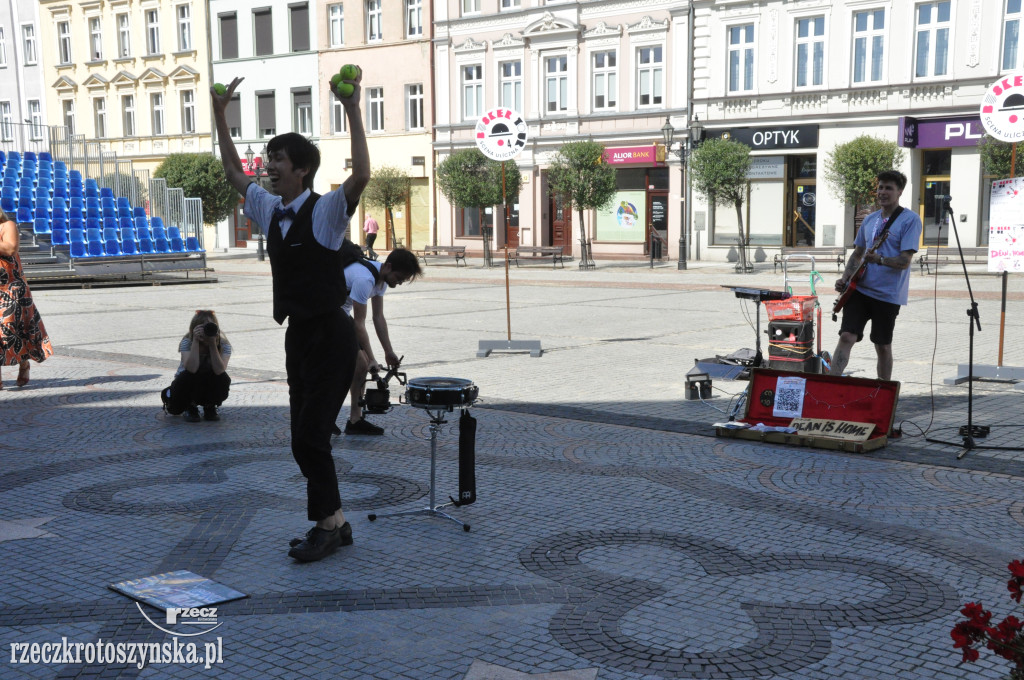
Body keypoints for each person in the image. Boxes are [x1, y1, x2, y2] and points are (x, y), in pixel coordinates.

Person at [211, 68, 369, 563]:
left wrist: (351, 109)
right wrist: (220, 115)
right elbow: (234, 172)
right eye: (269, 158)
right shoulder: (268, 207)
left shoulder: (323, 212)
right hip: (299, 335)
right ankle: (336, 522)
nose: (267, 166)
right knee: (302, 440)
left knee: (309, 436)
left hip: (332, 336)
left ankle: (325, 527)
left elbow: (361, 175)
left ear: (301, 170)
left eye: (277, 159)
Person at [830, 170, 922, 381]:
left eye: (888, 188)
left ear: (899, 192)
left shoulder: (910, 220)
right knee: (846, 336)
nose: (882, 192)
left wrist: (880, 259)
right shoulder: (870, 219)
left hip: (887, 295)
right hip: (859, 289)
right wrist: (845, 278)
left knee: (882, 344)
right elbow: (858, 253)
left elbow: (904, 261)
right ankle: (831, 382)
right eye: (880, 187)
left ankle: (883, 390)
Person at [335, 249, 422, 436]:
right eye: (398, 278)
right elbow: (359, 323)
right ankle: (329, 419)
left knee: (361, 365)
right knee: (360, 364)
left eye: (402, 281)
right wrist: (373, 359)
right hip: (327, 316)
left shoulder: (381, 280)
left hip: (341, 316)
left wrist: (388, 352)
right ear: (388, 266)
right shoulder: (364, 279)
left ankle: (355, 420)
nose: (398, 283)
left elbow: (378, 317)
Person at [0, 209, 53, 388]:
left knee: (11, 330)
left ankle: (23, 362)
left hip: (11, 288)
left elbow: (10, 248)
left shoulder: (7, 226)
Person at [161, 310, 231, 422]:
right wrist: (195, 342)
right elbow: (191, 369)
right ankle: (189, 405)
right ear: (194, 328)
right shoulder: (187, 342)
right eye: (201, 326)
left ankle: (210, 405)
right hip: (187, 385)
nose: (205, 330)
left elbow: (219, 371)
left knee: (224, 378)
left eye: (208, 326)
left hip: (208, 383)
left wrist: (212, 344)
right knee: (187, 378)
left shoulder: (223, 345)